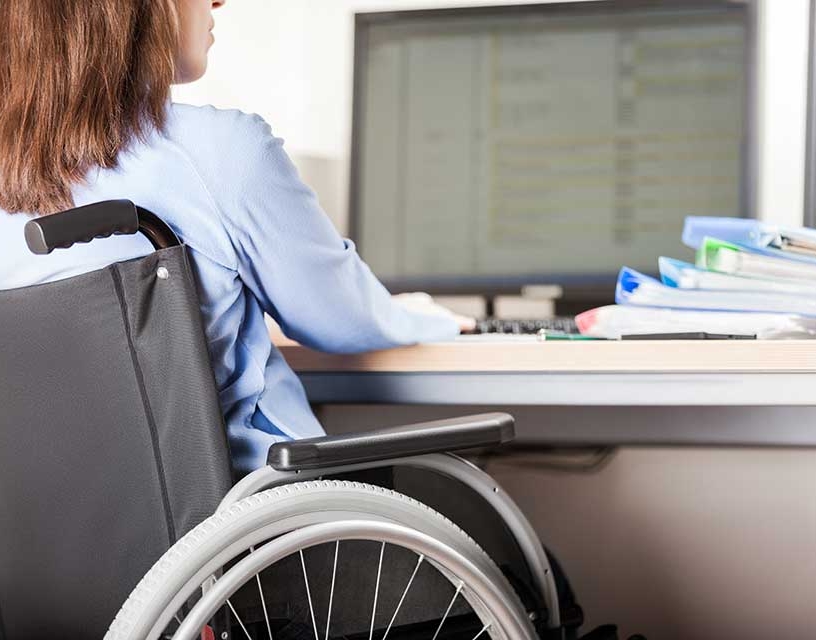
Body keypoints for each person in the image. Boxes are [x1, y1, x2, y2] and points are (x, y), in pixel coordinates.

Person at [0, 0, 470, 473]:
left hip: (81, 543)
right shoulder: (218, 153)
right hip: (255, 527)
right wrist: (424, 318)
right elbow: (339, 320)